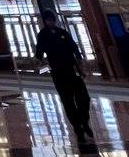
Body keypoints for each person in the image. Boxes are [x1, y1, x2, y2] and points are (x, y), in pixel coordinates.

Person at [34, 9, 93, 142]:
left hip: (72, 71)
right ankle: (78, 128)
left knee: (84, 99)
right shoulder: (43, 35)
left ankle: (84, 121)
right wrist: (37, 65)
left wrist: (80, 64)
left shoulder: (63, 33)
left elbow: (74, 48)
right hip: (58, 73)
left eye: (53, 20)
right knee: (68, 102)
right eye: (49, 20)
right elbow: (39, 51)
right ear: (45, 21)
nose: (52, 22)